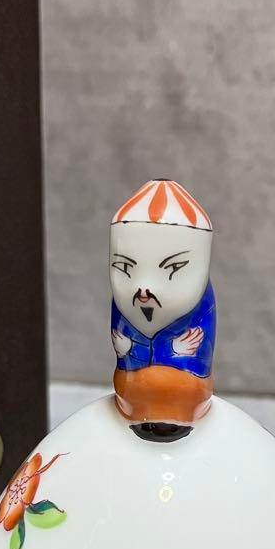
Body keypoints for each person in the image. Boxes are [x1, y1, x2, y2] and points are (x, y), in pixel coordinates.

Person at [108, 179, 216, 441]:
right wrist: (129, 352)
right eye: (124, 268)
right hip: (130, 388)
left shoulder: (201, 308)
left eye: (172, 269)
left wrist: (168, 351)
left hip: (184, 388)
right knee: (133, 384)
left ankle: (176, 420)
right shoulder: (122, 306)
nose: (144, 289)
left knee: (178, 386)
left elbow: (196, 359)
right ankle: (137, 413)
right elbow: (125, 353)